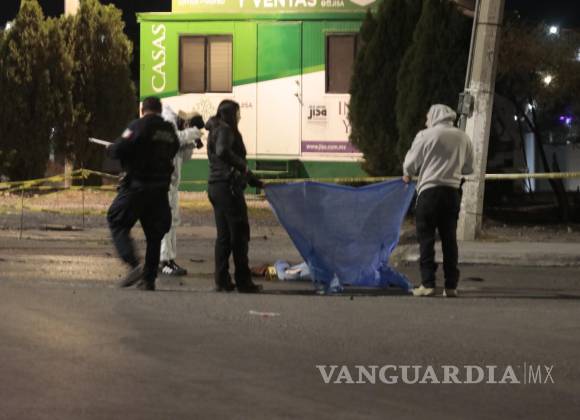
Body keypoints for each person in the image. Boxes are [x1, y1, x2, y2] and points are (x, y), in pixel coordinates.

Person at [106, 96, 180, 291]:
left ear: (142, 110)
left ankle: (133, 264)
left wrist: (111, 149)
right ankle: (149, 279)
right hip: (160, 189)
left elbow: (120, 148)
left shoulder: (138, 125)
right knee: (154, 234)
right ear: (160, 110)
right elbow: (174, 150)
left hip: (137, 187)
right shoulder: (169, 130)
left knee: (116, 219)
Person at [402, 104, 474, 297]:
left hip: (429, 193)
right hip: (452, 193)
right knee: (449, 240)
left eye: (428, 117)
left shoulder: (425, 135)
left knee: (426, 239)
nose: (427, 121)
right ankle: (451, 286)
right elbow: (469, 168)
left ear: (434, 116)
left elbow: (410, 164)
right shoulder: (463, 137)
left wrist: (407, 173)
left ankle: (428, 284)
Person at [206, 100, 264, 293]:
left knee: (224, 236)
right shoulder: (225, 130)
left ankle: (221, 279)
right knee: (239, 235)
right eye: (238, 113)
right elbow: (223, 152)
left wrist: (254, 181)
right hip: (228, 188)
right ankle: (243, 281)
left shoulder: (215, 129)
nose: (240, 117)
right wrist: (242, 166)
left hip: (216, 186)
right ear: (231, 114)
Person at [159, 105, 205, 276]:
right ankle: (164, 261)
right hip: (163, 184)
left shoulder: (179, 131)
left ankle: (169, 259)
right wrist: (192, 134)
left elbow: (182, 158)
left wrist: (191, 145)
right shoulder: (168, 122)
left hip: (172, 185)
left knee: (172, 223)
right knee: (165, 223)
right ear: (186, 123)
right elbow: (174, 139)